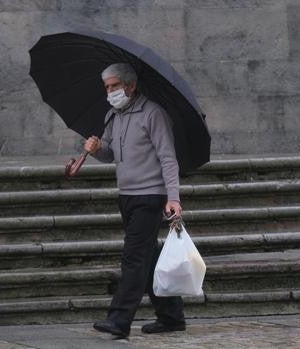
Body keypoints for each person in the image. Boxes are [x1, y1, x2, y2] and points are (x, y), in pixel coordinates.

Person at [84, 63, 186, 339]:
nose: (110, 92)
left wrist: (173, 198)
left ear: (131, 85)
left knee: (133, 257)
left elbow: (168, 157)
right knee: (149, 257)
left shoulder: (153, 113)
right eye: (107, 87)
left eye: (114, 86)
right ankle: (171, 316)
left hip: (150, 196)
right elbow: (110, 155)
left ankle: (119, 319)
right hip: (126, 196)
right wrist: (95, 149)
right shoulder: (112, 116)